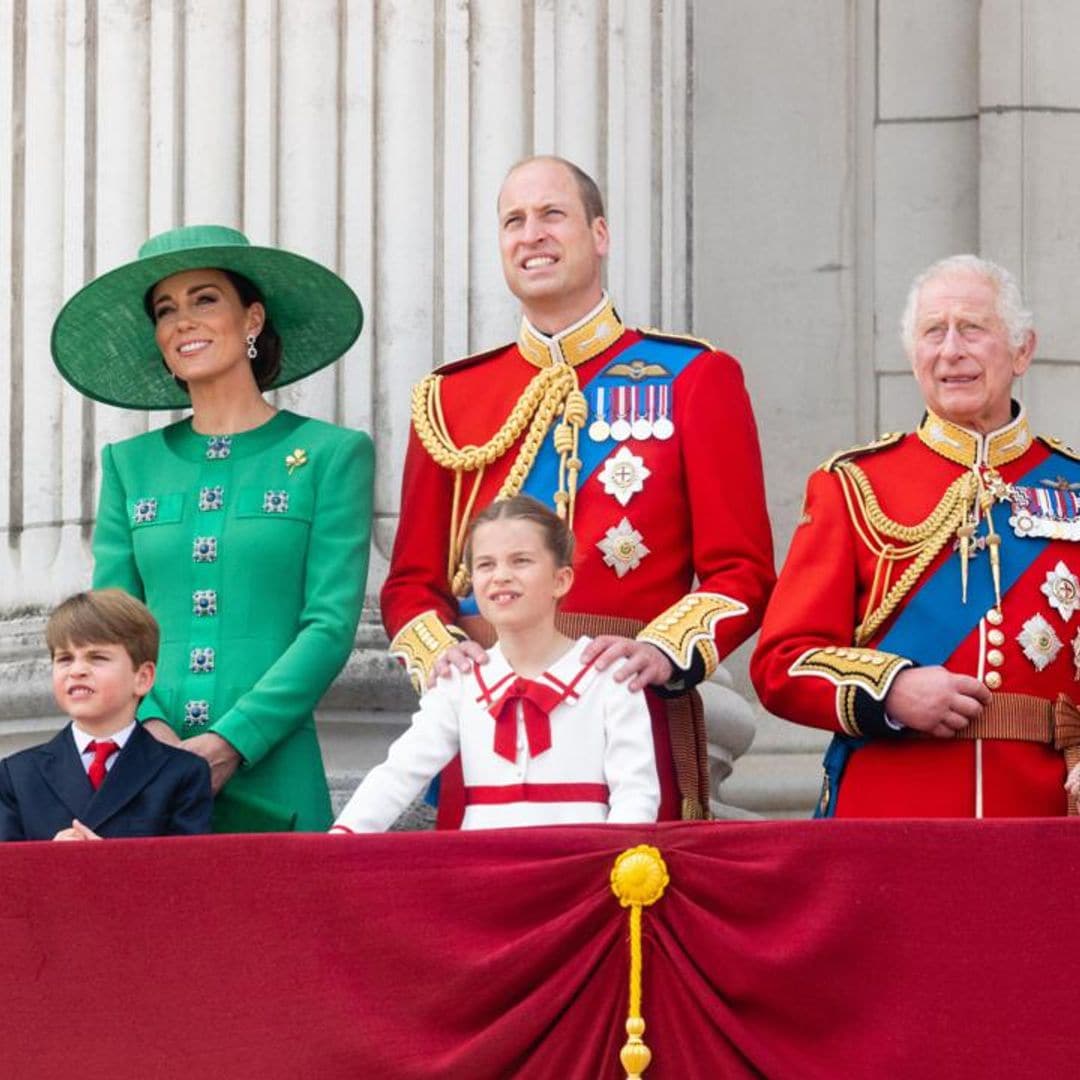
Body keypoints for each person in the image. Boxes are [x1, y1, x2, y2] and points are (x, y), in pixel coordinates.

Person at [381, 156, 775, 824]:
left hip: (626, 708)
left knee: (627, 919)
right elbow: (411, 583)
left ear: (599, 235)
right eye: (514, 220)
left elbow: (741, 570)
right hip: (486, 720)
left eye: (551, 215)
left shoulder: (694, 377)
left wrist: (660, 651)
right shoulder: (450, 399)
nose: (531, 234)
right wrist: (446, 659)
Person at [51, 225, 374, 832]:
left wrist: (235, 738)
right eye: (165, 310)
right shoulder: (129, 465)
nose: (183, 321)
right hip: (145, 768)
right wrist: (154, 728)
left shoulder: (332, 454)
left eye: (205, 299)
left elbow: (329, 625)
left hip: (275, 770)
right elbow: (111, 627)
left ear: (252, 318)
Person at [751, 254, 1080, 818]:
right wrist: (890, 692)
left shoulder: (1073, 484)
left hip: (1045, 815)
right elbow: (783, 663)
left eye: (973, 329)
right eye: (933, 332)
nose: (951, 350)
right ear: (913, 354)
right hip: (891, 816)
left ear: (1023, 350)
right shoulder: (853, 485)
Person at [331, 495, 659, 832]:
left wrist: (612, 864)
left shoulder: (608, 675)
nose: (501, 576)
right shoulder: (459, 680)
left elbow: (636, 794)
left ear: (561, 580)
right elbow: (400, 772)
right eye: (486, 565)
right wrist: (342, 837)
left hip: (582, 868)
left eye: (520, 561)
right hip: (484, 871)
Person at [0, 590, 211, 841]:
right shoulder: (17, 775)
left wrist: (107, 865)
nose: (77, 670)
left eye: (97, 657)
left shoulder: (183, 773)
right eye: (65, 659)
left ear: (142, 678)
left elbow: (188, 873)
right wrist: (47, 861)